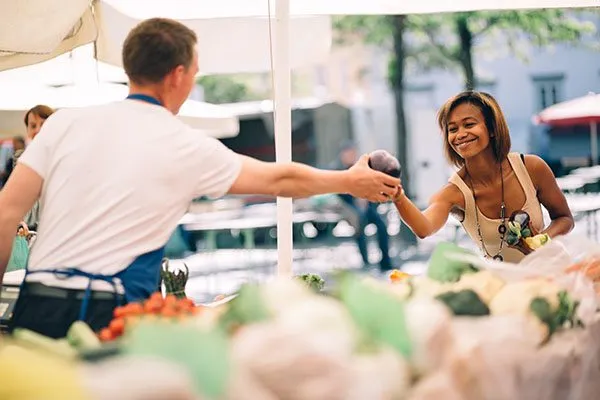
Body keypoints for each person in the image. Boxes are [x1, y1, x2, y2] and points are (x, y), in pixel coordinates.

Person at [0, 18, 399, 338]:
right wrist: (348, 180)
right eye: (194, 72)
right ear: (177, 75)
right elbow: (279, 180)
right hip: (109, 315)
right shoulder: (182, 144)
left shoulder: (63, 123)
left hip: (35, 305)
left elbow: (5, 214)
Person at [393, 91, 573, 264]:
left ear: (492, 129)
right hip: (506, 287)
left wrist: (543, 241)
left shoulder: (532, 167)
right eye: (452, 129)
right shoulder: (454, 193)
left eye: (469, 124)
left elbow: (564, 218)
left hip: (554, 271)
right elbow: (424, 228)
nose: (460, 134)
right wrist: (397, 196)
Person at [332, 142, 394, 271]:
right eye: (348, 154)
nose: (351, 156)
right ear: (342, 156)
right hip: (350, 208)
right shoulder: (338, 171)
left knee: (382, 226)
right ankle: (366, 261)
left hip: (367, 206)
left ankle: (385, 262)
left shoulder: (363, 168)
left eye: (352, 153)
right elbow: (338, 194)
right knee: (360, 226)